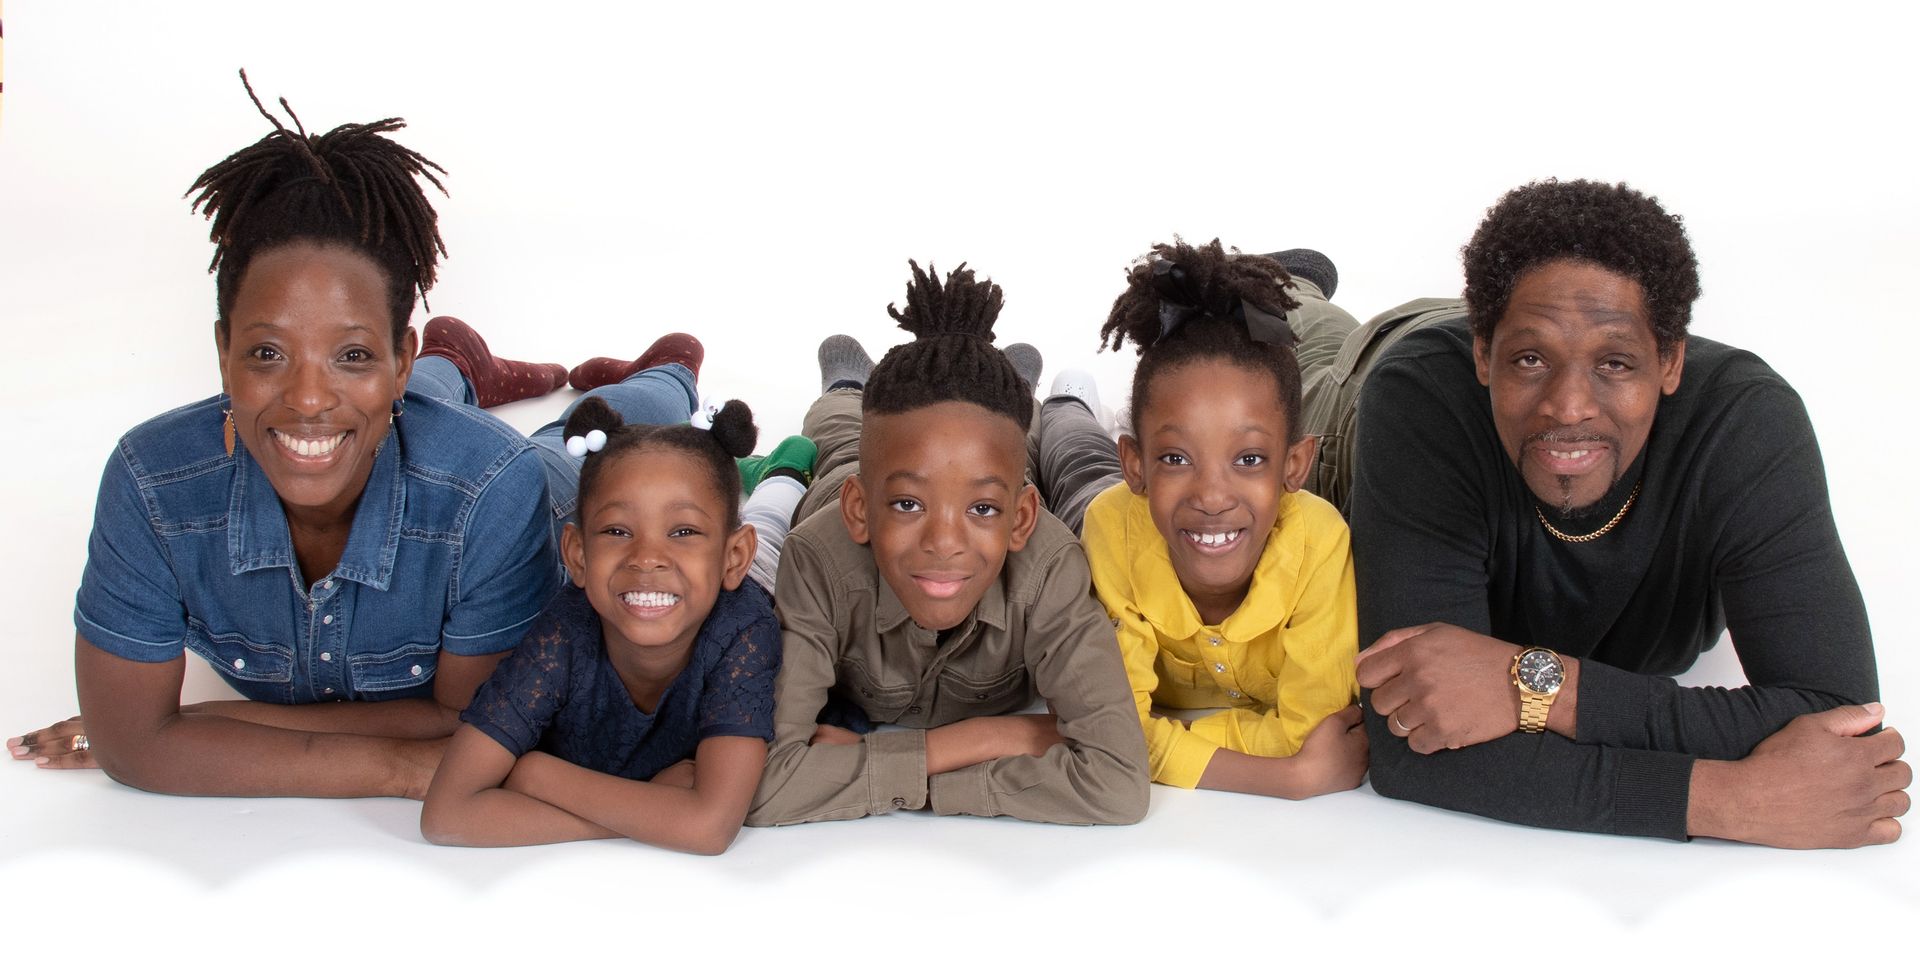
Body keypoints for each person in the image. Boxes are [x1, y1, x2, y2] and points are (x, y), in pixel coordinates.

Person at [4, 74, 694, 798]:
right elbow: (133, 748)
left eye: (355, 352)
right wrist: (396, 766)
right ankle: (453, 362)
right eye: (267, 353)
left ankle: (671, 370)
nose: (303, 393)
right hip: (391, 423)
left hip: (526, 477)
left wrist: (194, 724)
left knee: (583, 438)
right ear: (222, 351)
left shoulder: (492, 486)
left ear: (397, 356)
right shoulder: (151, 483)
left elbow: (477, 726)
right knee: (348, 423)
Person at [1345, 179, 1908, 846]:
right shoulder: (1422, 406)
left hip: (1498, 324)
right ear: (1483, 356)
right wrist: (1721, 800)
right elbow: (1410, 749)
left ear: (1670, 361)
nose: (1569, 406)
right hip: (1356, 395)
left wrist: (1533, 686)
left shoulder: (1743, 426)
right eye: (1530, 360)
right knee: (1268, 348)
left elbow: (1842, 721)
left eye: (1615, 363)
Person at [747, 261, 1149, 826]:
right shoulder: (816, 561)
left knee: (1019, 445)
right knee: (839, 437)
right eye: (908, 506)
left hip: (991, 465)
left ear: (1022, 518)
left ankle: (1019, 394)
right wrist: (1000, 736)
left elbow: (1117, 785)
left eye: (983, 510)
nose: (943, 542)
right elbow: (760, 782)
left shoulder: (1050, 568)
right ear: (860, 512)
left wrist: (915, 774)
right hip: (847, 473)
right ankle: (843, 388)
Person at [1032, 238, 1366, 798]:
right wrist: (1286, 778)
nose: (1212, 495)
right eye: (1176, 457)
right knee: (1069, 455)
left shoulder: (1321, 541)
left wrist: (1165, 737)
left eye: (1250, 459)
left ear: (1296, 466)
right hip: (1098, 505)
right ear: (1136, 465)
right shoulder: (1111, 525)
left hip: (1155, 513)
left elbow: (1314, 729)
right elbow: (1109, 729)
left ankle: (1297, 280)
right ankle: (1063, 405)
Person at [421, 398, 779, 853]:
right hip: (700, 583)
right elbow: (446, 816)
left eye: (683, 531)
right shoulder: (565, 633)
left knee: (775, 512)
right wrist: (659, 808)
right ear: (576, 556)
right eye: (617, 531)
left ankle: (787, 468)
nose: (647, 557)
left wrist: (537, 774)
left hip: (766, 571)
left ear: (732, 557)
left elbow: (708, 828)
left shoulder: (745, 632)